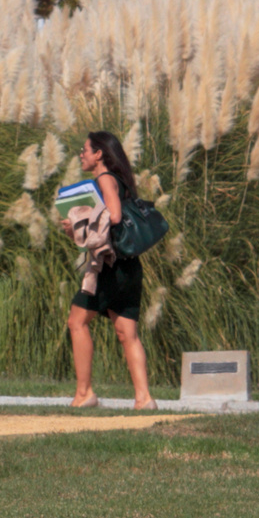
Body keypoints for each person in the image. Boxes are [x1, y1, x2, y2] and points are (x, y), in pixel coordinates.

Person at [61, 130, 157, 410]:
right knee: (128, 333)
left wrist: (77, 221)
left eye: (85, 150)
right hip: (129, 267)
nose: (81, 154)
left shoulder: (103, 178)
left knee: (77, 322)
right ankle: (144, 398)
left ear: (99, 154)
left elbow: (113, 216)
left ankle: (84, 393)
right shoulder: (122, 180)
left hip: (110, 267)